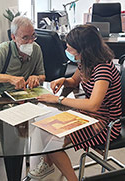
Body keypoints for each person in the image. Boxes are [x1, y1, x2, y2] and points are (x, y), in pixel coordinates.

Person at [28, 24, 122, 180]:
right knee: (46, 128)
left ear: (84, 50)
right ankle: (48, 163)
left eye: (70, 49)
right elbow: (74, 80)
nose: (67, 51)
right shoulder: (86, 62)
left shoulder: (102, 68)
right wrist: (64, 80)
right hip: (89, 115)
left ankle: (71, 178)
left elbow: (93, 104)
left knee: (52, 144)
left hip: (105, 123)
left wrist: (59, 99)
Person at [0, 16, 46, 166]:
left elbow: (42, 75)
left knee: (21, 132)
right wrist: (9, 78)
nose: (30, 41)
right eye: (25, 37)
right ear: (13, 37)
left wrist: (36, 78)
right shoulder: (4, 49)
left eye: (33, 36)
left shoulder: (37, 49)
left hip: (22, 98)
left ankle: (4, 145)